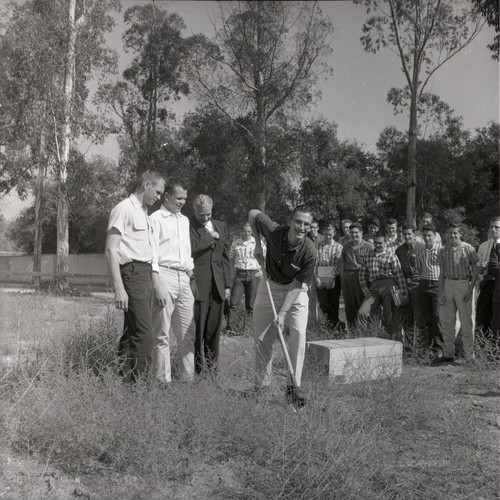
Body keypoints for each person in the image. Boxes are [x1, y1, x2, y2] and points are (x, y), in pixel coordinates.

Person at [248, 205, 316, 408]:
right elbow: (253, 213)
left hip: (296, 291)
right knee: (261, 338)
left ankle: (293, 389)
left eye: (306, 224)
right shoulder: (274, 230)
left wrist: (283, 312)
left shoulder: (310, 252)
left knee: (298, 334)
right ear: (290, 221)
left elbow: (297, 285)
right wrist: (258, 243)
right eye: (298, 222)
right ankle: (261, 387)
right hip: (269, 284)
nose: (301, 227)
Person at [105, 169, 166, 382]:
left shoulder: (144, 213)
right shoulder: (123, 209)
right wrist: (119, 288)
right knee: (144, 335)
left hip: (144, 274)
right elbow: (111, 249)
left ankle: (125, 384)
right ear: (146, 184)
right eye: (157, 192)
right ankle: (141, 389)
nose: (159, 197)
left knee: (131, 332)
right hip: (131, 274)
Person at [149, 180, 196, 385]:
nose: (182, 202)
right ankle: (162, 382)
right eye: (178, 198)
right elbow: (151, 254)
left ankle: (188, 380)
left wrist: (192, 277)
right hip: (164, 275)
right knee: (161, 334)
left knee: (187, 332)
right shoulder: (155, 219)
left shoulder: (184, 220)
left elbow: (187, 253)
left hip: (184, 277)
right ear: (166, 196)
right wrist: (157, 283)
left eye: (185, 199)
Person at [190, 195, 231, 376]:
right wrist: (210, 237)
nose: (205, 218)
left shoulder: (221, 226)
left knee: (214, 331)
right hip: (199, 284)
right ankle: (198, 371)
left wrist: (228, 285)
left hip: (218, 285)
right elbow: (190, 247)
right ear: (194, 211)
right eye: (201, 216)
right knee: (198, 332)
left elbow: (225, 257)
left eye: (208, 214)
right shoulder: (186, 225)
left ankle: (213, 371)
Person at [437, 223, 479, 364]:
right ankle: (448, 354)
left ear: (460, 234)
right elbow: (441, 274)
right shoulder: (443, 250)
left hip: (463, 284)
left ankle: (469, 357)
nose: (453, 236)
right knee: (447, 322)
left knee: (466, 321)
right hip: (448, 284)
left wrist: (470, 288)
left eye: (455, 233)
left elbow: (476, 272)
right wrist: (440, 293)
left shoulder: (469, 249)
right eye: (450, 233)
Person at [358, 230, 408, 340]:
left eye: (380, 243)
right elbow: (362, 273)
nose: (378, 245)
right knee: (363, 312)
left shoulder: (391, 256)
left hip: (389, 285)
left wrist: (403, 293)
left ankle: (393, 341)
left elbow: (399, 275)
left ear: (385, 242)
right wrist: (364, 287)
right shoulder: (368, 256)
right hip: (374, 287)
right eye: (375, 242)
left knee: (389, 315)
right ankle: (364, 340)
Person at [226, 222, 263, 333]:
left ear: (252, 231)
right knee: (234, 303)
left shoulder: (258, 242)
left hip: (253, 274)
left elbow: (266, 258)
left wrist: (261, 271)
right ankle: (232, 329)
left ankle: (249, 329)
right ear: (241, 231)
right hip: (240, 274)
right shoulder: (236, 243)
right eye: (244, 231)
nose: (246, 233)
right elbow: (231, 258)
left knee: (251, 304)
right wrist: (232, 273)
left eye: (249, 231)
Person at [414, 224, 444, 356]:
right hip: (424, 283)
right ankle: (427, 347)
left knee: (437, 317)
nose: (427, 238)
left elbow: (445, 269)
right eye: (425, 236)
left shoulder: (441, 250)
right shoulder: (420, 250)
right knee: (426, 318)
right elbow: (419, 267)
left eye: (429, 236)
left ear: (435, 236)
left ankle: (439, 348)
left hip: (437, 284)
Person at [340, 222, 374, 327]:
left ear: (361, 233)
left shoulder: (369, 247)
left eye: (356, 232)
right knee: (350, 306)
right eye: (351, 233)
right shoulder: (346, 246)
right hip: (348, 278)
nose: (354, 235)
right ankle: (352, 331)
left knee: (362, 306)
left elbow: (372, 265)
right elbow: (342, 262)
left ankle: (366, 331)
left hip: (362, 278)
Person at [395, 224, 425, 342]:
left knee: (419, 316)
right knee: (407, 317)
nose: (407, 236)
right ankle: (409, 344)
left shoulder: (422, 248)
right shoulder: (399, 250)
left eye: (409, 234)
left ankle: (421, 345)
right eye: (404, 234)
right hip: (403, 285)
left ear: (415, 234)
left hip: (418, 284)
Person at [314, 223, 344, 330]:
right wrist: (316, 277)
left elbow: (338, 264)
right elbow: (314, 262)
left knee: (333, 304)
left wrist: (332, 278)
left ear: (334, 234)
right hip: (320, 276)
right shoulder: (317, 245)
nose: (328, 237)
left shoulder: (339, 247)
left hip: (334, 277)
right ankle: (337, 324)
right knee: (323, 303)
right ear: (323, 233)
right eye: (326, 234)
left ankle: (333, 328)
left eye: (330, 234)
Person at [476, 216, 500, 341]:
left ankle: (495, 352)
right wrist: (482, 268)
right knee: (481, 317)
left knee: (496, 320)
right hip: (486, 284)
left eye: (497, 227)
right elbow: (478, 270)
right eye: (492, 227)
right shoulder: (484, 246)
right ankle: (481, 350)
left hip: (499, 285)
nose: (493, 229)